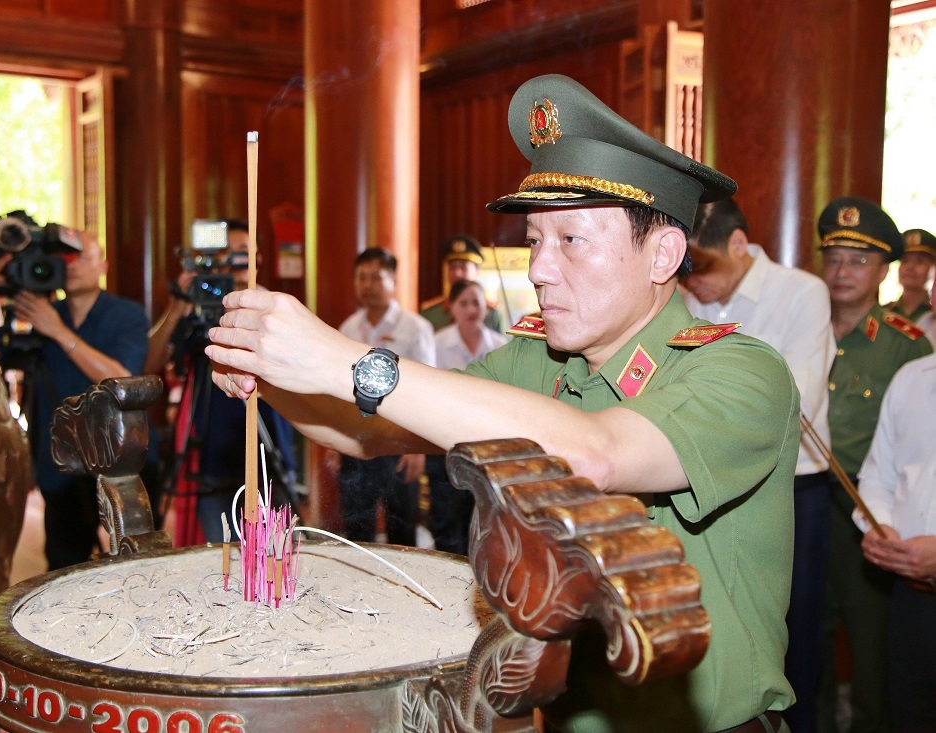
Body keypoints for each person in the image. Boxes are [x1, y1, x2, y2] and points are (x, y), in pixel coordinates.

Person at [206, 74, 800, 733]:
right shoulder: (535, 358)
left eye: (571, 240)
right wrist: (273, 373)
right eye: (535, 242)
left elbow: (598, 453)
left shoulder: (742, 372)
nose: (540, 269)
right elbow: (371, 433)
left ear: (663, 253)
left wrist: (343, 359)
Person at [681, 197, 835, 733]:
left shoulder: (801, 293)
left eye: (700, 264)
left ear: (739, 245)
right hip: (704, 481)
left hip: (792, 488)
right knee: (716, 621)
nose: (690, 279)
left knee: (791, 629)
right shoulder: (689, 302)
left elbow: (801, 403)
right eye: (684, 266)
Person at [814, 198, 933, 733]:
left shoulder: (905, 348)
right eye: (834, 257)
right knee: (806, 628)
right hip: (800, 500)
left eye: (858, 261)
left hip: (867, 510)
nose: (842, 271)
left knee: (872, 641)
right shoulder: (801, 329)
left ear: (884, 270)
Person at [0, 232, 153, 570]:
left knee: (136, 565)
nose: (71, 267)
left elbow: (124, 380)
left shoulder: (125, 314)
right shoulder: (39, 313)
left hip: (124, 462)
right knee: (63, 567)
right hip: (60, 465)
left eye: (82, 257)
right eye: (64, 260)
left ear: (103, 265)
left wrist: (58, 331)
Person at [146, 218, 298, 544]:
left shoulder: (276, 309)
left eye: (243, 252)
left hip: (270, 454)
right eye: (227, 252)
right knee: (224, 556)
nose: (234, 260)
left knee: (274, 556)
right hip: (213, 460)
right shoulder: (201, 308)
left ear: (257, 258)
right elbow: (150, 363)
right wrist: (178, 307)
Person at [852, 293, 936, 731]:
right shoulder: (912, 378)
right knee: (910, 712)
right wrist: (879, 523)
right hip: (912, 597)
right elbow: (879, 474)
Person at [336, 247, 435, 546]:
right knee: (357, 528)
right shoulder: (348, 328)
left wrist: (418, 447)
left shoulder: (416, 329)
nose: (367, 285)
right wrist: (334, 438)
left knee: (402, 530)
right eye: (361, 278)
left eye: (376, 278)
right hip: (356, 442)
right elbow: (339, 389)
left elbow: (428, 391)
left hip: (399, 442)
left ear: (393, 279)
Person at [426, 279, 509, 554]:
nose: (472, 309)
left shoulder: (501, 345)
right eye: (464, 302)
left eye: (477, 302)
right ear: (452, 308)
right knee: (447, 522)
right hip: (443, 447)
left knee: (484, 524)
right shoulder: (435, 344)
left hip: (487, 450)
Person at [420, 234, 504, 333]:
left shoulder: (492, 313)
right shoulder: (430, 313)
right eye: (452, 267)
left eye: (463, 267)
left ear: (477, 271)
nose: (457, 273)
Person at [885, 228, 935, 321]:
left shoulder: (933, 314)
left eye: (920, 261)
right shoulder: (883, 312)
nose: (910, 267)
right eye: (905, 261)